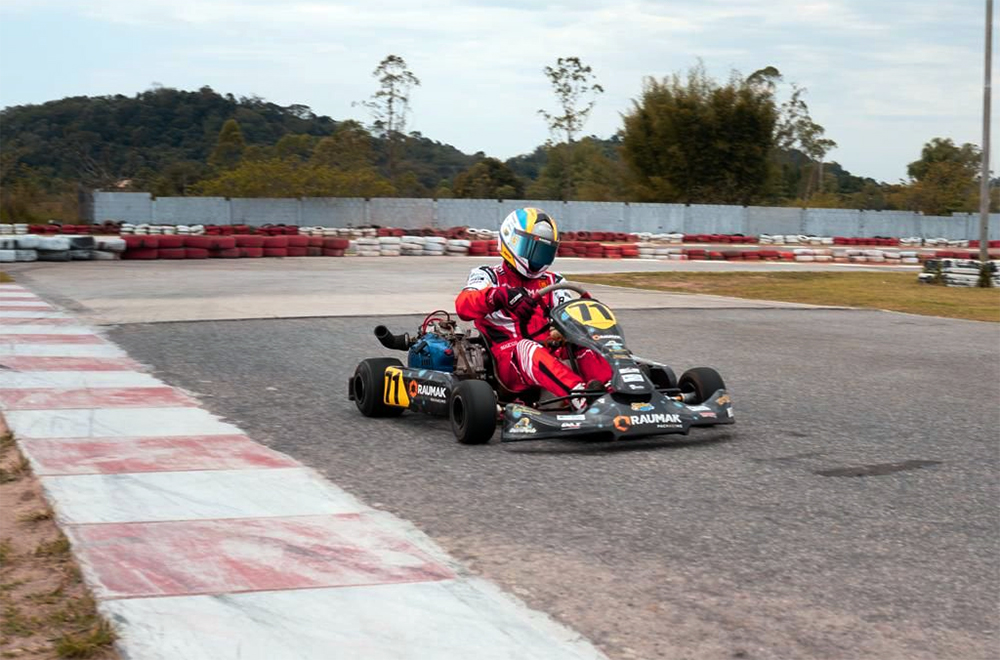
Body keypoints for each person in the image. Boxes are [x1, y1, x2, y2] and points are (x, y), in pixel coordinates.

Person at [455, 208, 611, 408]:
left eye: (544, 252)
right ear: (511, 241)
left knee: (589, 340)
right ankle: (580, 397)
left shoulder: (555, 281)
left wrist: (575, 327)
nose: (538, 258)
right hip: (507, 362)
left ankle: (613, 390)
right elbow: (463, 305)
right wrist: (498, 295)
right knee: (526, 347)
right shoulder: (488, 276)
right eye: (532, 249)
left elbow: (571, 315)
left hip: (548, 356)